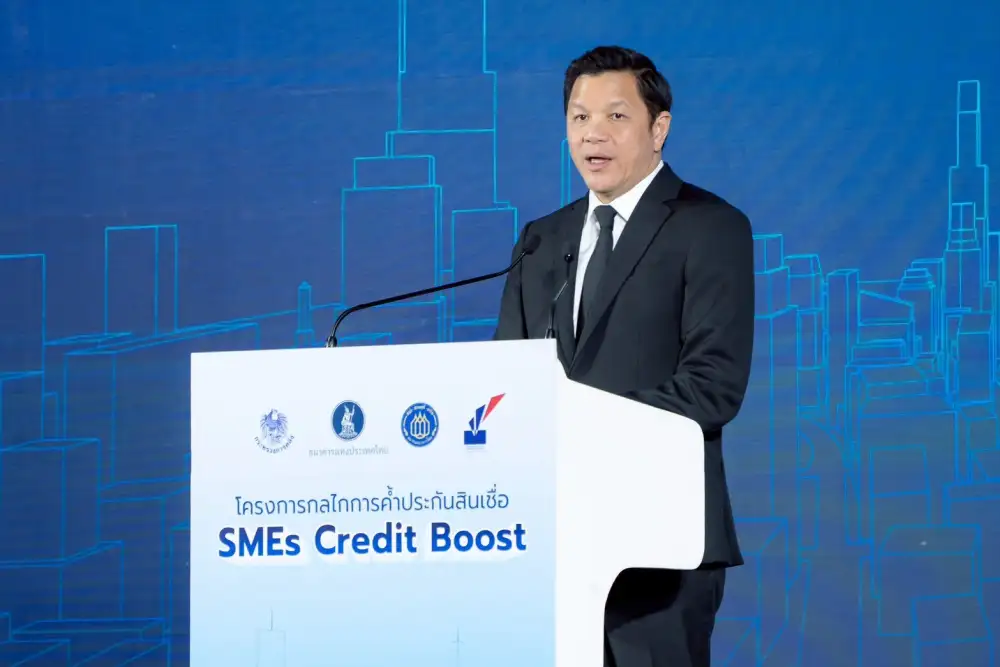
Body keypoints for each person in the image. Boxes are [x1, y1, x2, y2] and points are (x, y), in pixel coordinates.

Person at [493, 45, 755, 667]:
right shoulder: (541, 240)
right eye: (579, 118)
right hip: (553, 544)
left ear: (658, 128)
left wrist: (583, 425)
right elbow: (509, 384)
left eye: (616, 116)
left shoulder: (709, 226)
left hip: (659, 542)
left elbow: (713, 385)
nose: (594, 134)